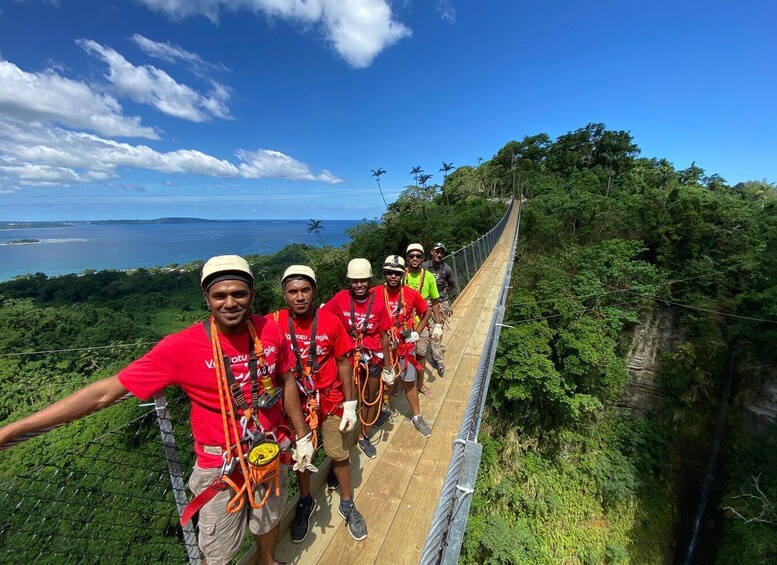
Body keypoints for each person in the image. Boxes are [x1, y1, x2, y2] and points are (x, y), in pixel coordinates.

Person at [0, 255, 311, 565]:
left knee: (268, 517)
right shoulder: (181, 347)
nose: (230, 302)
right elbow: (104, 393)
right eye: (220, 295)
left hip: (269, 450)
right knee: (218, 551)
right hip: (222, 463)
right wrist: (13, 430)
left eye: (239, 294)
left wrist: (302, 435)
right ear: (207, 299)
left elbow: (284, 379)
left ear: (252, 295)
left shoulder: (269, 330)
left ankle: (267, 560)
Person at [269, 265, 367, 543]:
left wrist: (350, 403)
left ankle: (347, 502)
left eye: (305, 290)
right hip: (295, 403)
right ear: (284, 294)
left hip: (330, 398)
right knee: (302, 456)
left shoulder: (330, 322)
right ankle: (305, 500)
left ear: (314, 292)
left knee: (338, 452)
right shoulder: (273, 322)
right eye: (293, 291)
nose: (299, 297)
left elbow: (343, 363)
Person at [321, 258, 396, 460]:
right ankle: (343, 446)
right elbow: (322, 318)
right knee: (350, 399)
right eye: (355, 281)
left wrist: (388, 366)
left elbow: (383, 336)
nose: (359, 285)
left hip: (372, 357)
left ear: (370, 280)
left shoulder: (378, 303)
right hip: (349, 358)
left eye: (363, 280)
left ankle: (363, 436)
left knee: (370, 398)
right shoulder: (340, 299)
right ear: (349, 282)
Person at [374, 255, 433, 438]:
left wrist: (418, 331)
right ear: (384, 273)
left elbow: (427, 311)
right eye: (389, 273)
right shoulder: (375, 293)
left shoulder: (410, 294)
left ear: (402, 275)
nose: (393, 276)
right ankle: (386, 408)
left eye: (396, 273)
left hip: (404, 347)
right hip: (383, 346)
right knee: (387, 381)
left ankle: (417, 416)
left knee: (409, 382)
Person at [403, 243, 443, 398]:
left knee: (420, 354)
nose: (414, 259)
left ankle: (419, 384)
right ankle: (401, 383)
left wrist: (438, 324)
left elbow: (434, 302)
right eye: (411, 256)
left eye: (418, 256)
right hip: (403, 322)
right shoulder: (401, 276)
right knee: (401, 354)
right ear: (407, 258)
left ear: (422, 258)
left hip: (422, 321)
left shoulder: (429, 277)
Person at [421, 242, 455, 377]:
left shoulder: (447, 269)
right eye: (437, 251)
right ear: (432, 252)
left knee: (437, 330)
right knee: (426, 329)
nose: (439, 254)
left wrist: (440, 293)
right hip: (426, 302)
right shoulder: (424, 267)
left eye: (441, 252)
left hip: (441, 302)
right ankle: (431, 354)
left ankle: (438, 360)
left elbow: (451, 285)